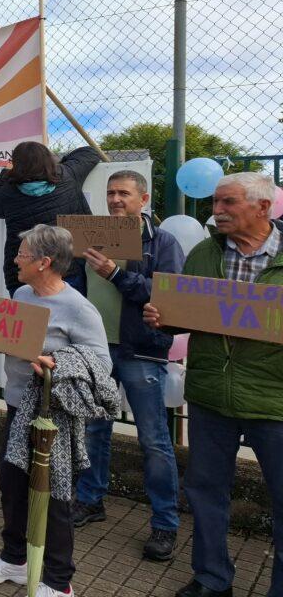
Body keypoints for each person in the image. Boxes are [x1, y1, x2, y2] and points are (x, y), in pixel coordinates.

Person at [144, 172, 283, 597]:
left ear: (263, 207)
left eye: (228, 203)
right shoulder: (205, 252)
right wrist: (164, 317)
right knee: (205, 491)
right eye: (215, 202)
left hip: (273, 400)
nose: (216, 211)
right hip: (210, 396)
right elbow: (188, 315)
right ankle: (211, 578)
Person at [0, 224, 111, 597]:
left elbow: (101, 364)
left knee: (53, 495)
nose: (15, 260)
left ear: (43, 262)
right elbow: (9, 336)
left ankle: (58, 580)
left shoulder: (78, 308)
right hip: (17, 405)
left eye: (22, 254)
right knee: (12, 484)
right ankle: (15, 559)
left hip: (53, 417)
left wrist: (55, 362)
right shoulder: (22, 294)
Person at [73, 170, 185, 561]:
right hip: (97, 349)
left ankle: (165, 523)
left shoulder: (162, 242)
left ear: (144, 199)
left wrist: (117, 275)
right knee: (93, 430)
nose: (116, 199)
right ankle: (90, 500)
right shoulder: (93, 235)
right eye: (111, 193)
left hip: (139, 352)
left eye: (124, 193)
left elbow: (167, 295)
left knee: (153, 440)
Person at [0, 142, 101, 295]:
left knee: (27, 310)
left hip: (22, 273)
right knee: (68, 310)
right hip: (65, 270)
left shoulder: (9, 189)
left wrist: (4, 173)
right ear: (49, 160)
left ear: (17, 165)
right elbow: (91, 153)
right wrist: (59, 163)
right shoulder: (67, 174)